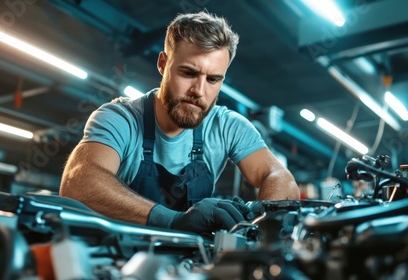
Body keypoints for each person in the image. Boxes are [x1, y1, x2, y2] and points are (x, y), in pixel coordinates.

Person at [60, 11, 299, 234]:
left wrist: (258, 217)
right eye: (188, 73)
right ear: (163, 64)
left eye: (213, 79)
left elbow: (282, 179)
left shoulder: (227, 126)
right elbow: (78, 183)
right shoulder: (120, 118)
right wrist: (172, 220)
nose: (199, 91)